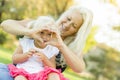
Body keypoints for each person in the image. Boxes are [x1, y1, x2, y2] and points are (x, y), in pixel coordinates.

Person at [0, 6, 93, 80]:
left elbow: (79, 68)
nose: (67, 25)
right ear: (64, 15)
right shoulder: (40, 25)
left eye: (74, 25)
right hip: (19, 75)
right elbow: (5, 24)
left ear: (77, 31)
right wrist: (30, 32)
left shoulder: (72, 46)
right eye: (68, 19)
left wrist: (61, 46)